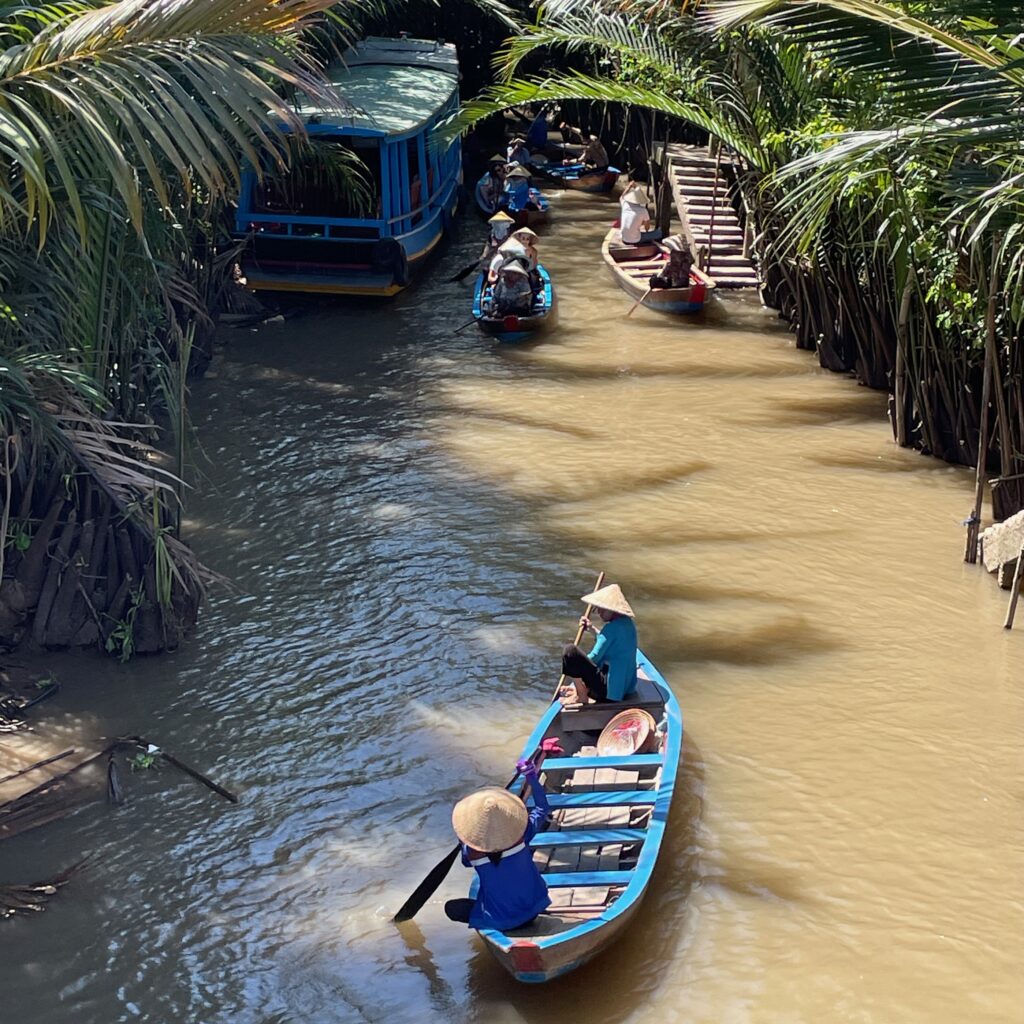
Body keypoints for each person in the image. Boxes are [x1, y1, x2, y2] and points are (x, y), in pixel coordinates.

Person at [445, 743, 561, 930]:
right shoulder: (521, 835)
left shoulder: (471, 854)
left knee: (451, 908)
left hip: (501, 920)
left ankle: (493, 924)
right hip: (535, 908)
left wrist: (463, 838)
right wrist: (531, 777)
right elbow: (542, 808)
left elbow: (466, 859)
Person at [560, 583, 638, 705]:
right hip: (625, 688)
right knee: (580, 662)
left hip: (609, 692)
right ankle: (580, 690)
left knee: (570, 652)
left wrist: (573, 667)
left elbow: (594, 657)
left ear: (612, 610)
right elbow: (607, 641)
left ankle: (581, 695)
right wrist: (591, 629)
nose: (599, 613)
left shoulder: (611, 628)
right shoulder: (627, 623)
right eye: (598, 609)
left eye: (602, 609)